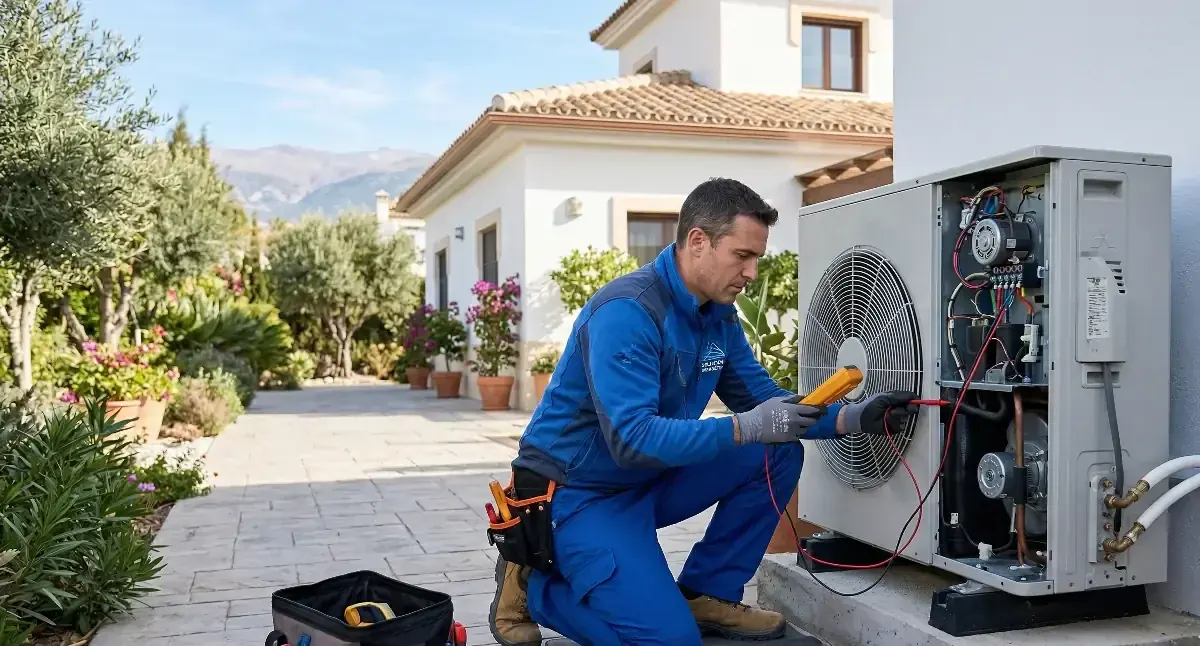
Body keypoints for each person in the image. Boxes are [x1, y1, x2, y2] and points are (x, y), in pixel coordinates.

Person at [487, 178, 919, 646]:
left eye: (757, 257)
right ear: (698, 242)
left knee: (777, 453)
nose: (752, 272)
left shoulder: (717, 315)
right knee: (667, 641)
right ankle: (536, 587)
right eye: (742, 255)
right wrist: (746, 428)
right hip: (578, 494)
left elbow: (762, 400)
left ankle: (706, 593)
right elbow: (632, 440)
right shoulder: (627, 312)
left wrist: (849, 419)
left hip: (648, 480)